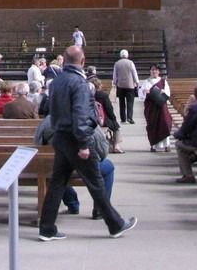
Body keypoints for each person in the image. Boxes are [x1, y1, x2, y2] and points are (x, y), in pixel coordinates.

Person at [37, 45, 137, 242]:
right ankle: (115, 224)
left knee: (58, 183)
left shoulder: (56, 82)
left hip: (60, 138)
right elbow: (81, 115)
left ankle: (47, 228)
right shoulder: (79, 83)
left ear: (64, 61)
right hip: (76, 139)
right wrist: (83, 144)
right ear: (82, 62)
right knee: (96, 182)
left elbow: (51, 110)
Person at [35, 111, 115, 220]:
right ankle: (99, 210)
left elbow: (38, 144)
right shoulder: (87, 120)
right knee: (108, 167)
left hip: (56, 166)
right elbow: (103, 151)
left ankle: (72, 204)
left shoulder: (49, 120)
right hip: (85, 167)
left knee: (56, 169)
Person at [141, 66, 171, 152]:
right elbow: (141, 94)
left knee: (164, 123)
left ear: (159, 71)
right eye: (152, 70)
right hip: (151, 107)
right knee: (152, 125)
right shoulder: (146, 82)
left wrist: (162, 92)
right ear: (150, 71)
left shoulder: (163, 81)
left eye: (156, 70)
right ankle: (153, 145)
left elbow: (168, 93)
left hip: (161, 106)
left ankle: (166, 145)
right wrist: (144, 92)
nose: (154, 71)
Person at [112, 49, 139, 124]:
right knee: (130, 102)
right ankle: (129, 118)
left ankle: (123, 118)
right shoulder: (131, 63)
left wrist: (114, 82)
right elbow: (134, 73)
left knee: (121, 102)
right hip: (130, 86)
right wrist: (137, 82)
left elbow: (115, 74)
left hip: (120, 85)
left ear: (120, 55)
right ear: (127, 55)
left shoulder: (117, 63)